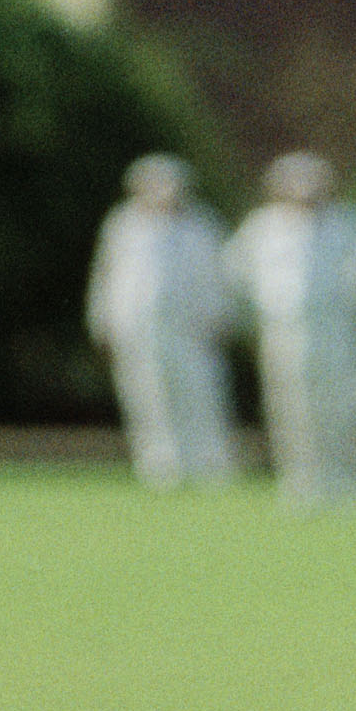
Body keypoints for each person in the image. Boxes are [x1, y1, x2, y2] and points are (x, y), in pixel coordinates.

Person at [225, 151, 356, 507]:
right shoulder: (262, 226)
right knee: (288, 404)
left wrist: (349, 299)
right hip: (283, 328)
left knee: (337, 403)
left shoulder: (347, 222)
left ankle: (344, 478)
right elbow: (235, 272)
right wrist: (259, 308)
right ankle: (299, 479)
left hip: (333, 327)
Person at [84, 153, 237, 490]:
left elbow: (218, 277)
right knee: (146, 396)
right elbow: (106, 275)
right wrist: (103, 322)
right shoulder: (123, 224)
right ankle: (160, 466)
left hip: (191, 329)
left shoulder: (202, 225)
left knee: (200, 395)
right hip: (139, 329)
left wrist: (220, 319)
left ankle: (210, 465)